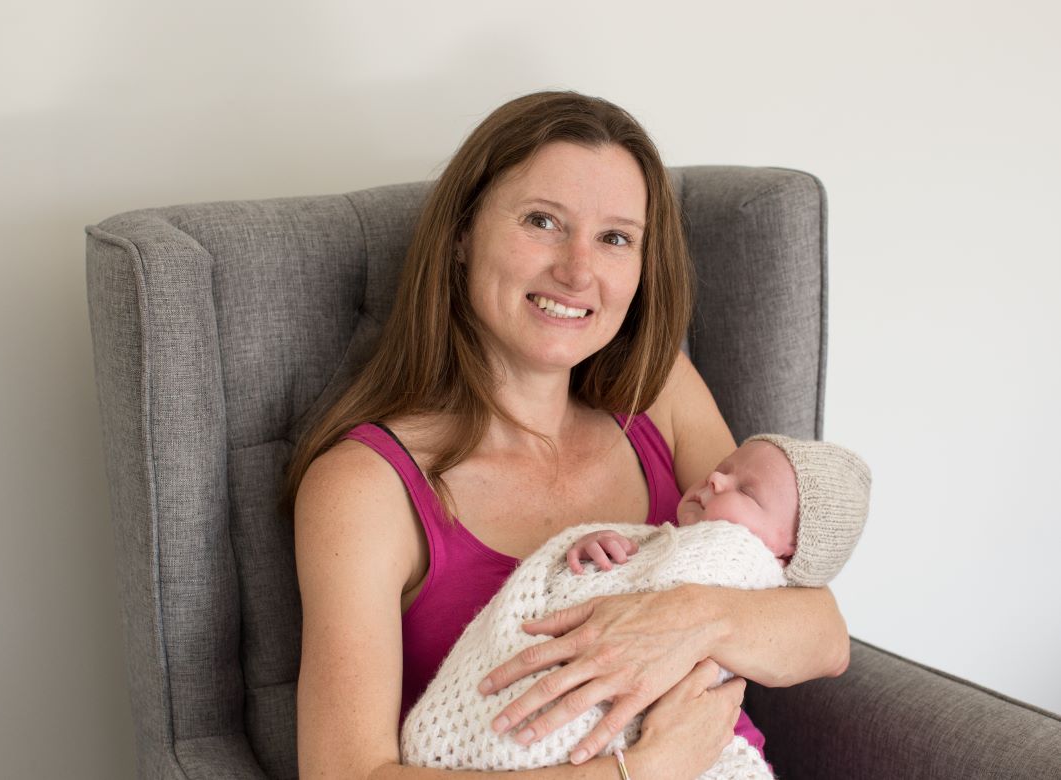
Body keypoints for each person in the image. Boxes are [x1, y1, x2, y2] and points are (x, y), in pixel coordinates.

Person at [288, 91, 851, 779]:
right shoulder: (365, 488)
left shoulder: (659, 396)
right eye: (543, 221)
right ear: (462, 235)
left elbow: (823, 635)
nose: (578, 271)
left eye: (615, 238)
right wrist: (644, 770)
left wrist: (688, 619)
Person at [399, 435, 871, 776]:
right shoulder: (672, 539)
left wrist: (690, 615)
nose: (716, 476)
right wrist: (596, 552)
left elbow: (831, 641)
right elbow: (624, 584)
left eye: (745, 490)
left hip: (689, 736)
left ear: (785, 555)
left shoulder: (740, 557)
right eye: (724, 466)